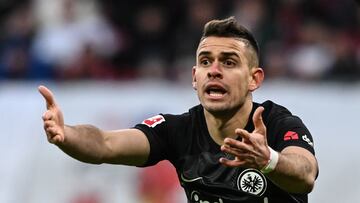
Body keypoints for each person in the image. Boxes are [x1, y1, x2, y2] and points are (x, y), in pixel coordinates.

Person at [39, 16, 318, 203]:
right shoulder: (177, 130)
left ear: (254, 79)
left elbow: (305, 175)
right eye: (206, 62)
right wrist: (66, 133)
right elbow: (104, 144)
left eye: (229, 62)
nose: (215, 71)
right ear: (195, 77)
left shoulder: (278, 123)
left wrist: (267, 159)